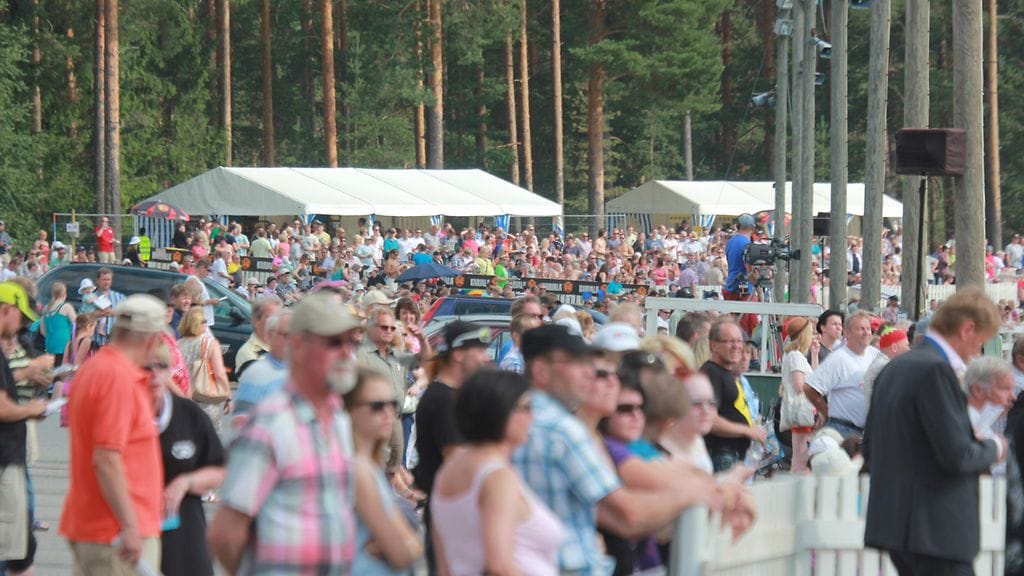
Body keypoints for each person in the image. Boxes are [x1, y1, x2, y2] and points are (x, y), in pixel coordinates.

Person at [512, 324, 716, 575]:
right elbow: (627, 517)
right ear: (541, 371)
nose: (587, 374)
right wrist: (697, 493)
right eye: (575, 363)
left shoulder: (529, 418)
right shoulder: (561, 428)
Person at [208, 292, 363, 574]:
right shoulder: (271, 424)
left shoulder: (338, 418)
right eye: (333, 343)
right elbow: (225, 533)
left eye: (351, 342)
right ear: (299, 346)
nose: (346, 352)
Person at [864, 288, 1004, 575]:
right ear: (967, 329)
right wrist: (995, 448)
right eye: (981, 341)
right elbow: (957, 456)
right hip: (934, 530)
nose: (978, 351)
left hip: (899, 527)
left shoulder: (895, 367)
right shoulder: (936, 371)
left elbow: (871, 447)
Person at [60, 294, 168, 574]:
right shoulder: (117, 377)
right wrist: (130, 526)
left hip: (100, 526)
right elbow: (106, 459)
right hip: (116, 531)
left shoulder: (98, 369)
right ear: (151, 338)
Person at [432, 369, 564, 575]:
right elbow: (499, 565)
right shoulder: (497, 476)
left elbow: (445, 566)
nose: (532, 416)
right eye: (526, 407)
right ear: (501, 410)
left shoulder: (449, 470)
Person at [412, 320, 491, 573]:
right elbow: (460, 462)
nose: (485, 358)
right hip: (453, 517)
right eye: (478, 351)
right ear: (458, 355)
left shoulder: (452, 396)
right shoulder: (442, 400)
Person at [149, 340, 225, 576]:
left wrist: (186, 483)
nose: (153, 374)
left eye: (161, 366)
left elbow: (220, 469)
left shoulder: (189, 413)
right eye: (144, 367)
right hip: (133, 527)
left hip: (184, 529)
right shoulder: (120, 410)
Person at [343, 368, 423, 575]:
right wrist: (405, 541)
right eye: (377, 406)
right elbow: (403, 552)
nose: (389, 413)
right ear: (349, 410)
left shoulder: (370, 466)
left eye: (393, 404)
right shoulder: (358, 468)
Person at [0, 282, 47, 575]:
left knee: (19, 549)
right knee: (10, 550)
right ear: (8, 310)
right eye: (21, 318)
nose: (22, 328)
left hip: (8, 459)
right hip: (4, 462)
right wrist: (30, 409)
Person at [358, 306, 431, 491]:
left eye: (392, 328)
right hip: (371, 420)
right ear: (372, 328)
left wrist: (422, 339)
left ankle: (388, 498)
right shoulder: (361, 355)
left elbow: (427, 361)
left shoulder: (397, 355)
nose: (389, 331)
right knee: (374, 465)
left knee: (394, 463)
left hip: (396, 418)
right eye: (384, 327)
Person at [701, 318, 764, 472]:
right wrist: (747, 431)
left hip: (737, 454)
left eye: (739, 341)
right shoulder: (711, 373)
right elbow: (711, 420)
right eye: (730, 341)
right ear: (714, 345)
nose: (737, 346)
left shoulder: (728, 373)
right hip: (723, 454)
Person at [804, 311, 879, 438]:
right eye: (861, 329)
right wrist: (825, 411)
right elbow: (810, 388)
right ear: (847, 333)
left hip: (866, 431)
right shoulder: (839, 359)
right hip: (843, 430)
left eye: (868, 329)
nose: (866, 333)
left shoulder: (874, 354)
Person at [231, 309, 290, 432]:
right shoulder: (255, 374)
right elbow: (241, 425)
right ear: (270, 335)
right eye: (287, 335)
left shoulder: (300, 371)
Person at [176, 307, 231, 433]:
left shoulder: (177, 344)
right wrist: (228, 395)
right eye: (204, 321)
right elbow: (219, 373)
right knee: (209, 437)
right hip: (205, 398)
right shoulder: (210, 344)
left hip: (183, 398)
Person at [779, 317, 819, 474]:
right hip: (801, 409)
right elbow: (799, 385)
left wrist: (814, 355)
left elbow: (813, 378)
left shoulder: (795, 355)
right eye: (811, 332)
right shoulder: (795, 356)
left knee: (800, 452)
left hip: (800, 409)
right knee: (801, 454)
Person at [233, 295, 282, 379]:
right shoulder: (248, 353)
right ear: (256, 321)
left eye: (279, 317)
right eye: (270, 317)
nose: (276, 322)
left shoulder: (283, 346)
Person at [861, 327, 910, 407]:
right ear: (894, 347)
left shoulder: (882, 363)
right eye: (906, 345)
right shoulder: (886, 366)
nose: (909, 349)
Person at [40, 281, 76, 365]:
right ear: (64, 293)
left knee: (53, 370)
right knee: (63, 369)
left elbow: (43, 331)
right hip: (64, 344)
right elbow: (76, 323)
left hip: (50, 344)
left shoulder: (45, 309)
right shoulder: (65, 307)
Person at [722, 214, 756, 301]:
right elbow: (749, 269)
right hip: (743, 290)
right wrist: (758, 287)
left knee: (732, 314)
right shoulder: (748, 245)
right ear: (753, 228)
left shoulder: (730, 242)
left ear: (737, 226)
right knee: (747, 314)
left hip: (730, 285)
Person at [92, 267, 126, 347]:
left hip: (115, 342)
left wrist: (113, 312)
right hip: (96, 342)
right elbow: (82, 318)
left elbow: (128, 315)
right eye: (104, 280)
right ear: (97, 281)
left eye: (109, 279)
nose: (107, 282)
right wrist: (97, 314)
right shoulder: (91, 298)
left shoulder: (120, 297)